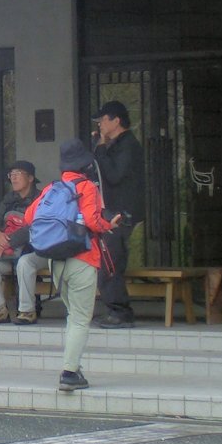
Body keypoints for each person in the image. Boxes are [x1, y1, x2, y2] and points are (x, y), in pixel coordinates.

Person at [22, 138, 116, 392]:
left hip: (56, 262)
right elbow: (93, 222)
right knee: (80, 319)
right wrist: (109, 224)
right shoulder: (87, 187)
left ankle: (73, 366)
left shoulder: (51, 189)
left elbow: (29, 217)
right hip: (82, 259)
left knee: (72, 315)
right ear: (85, 164)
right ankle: (70, 373)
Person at [91, 100, 145, 329]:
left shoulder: (128, 145)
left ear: (117, 120)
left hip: (121, 214)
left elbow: (114, 176)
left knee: (111, 262)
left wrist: (102, 148)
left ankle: (120, 312)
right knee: (106, 261)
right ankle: (115, 309)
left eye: (103, 119)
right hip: (109, 213)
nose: (100, 124)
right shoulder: (114, 145)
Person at [0, 160, 45, 325]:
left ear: (30, 178)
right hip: (10, 253)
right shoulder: (9, 199)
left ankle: (27, 311)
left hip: (37, 252)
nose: (13, 178)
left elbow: (34, 227)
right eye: (11, 175)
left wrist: (8, 242)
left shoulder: (42, 198)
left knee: (24, 262)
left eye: (18, 174)